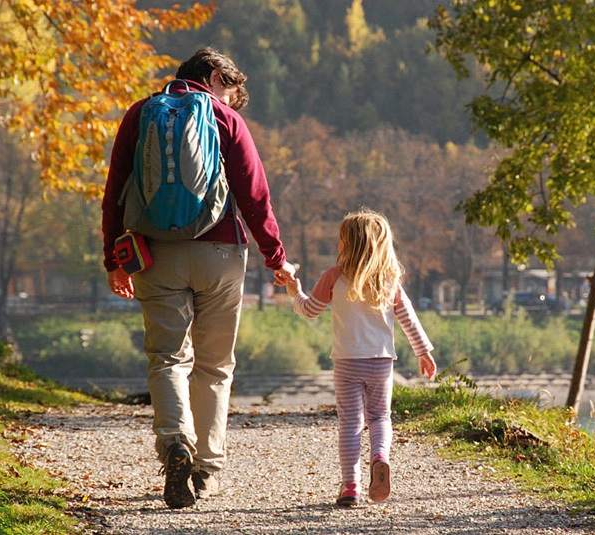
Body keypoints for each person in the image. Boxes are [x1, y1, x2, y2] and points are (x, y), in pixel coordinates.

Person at [101, 47, 295, 509]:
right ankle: (205, 466)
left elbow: (114, 191)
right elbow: (254, 194)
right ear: (212, 76)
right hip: (220, 251)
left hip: (155, 253)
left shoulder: (140, 113)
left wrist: (113, 258)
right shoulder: (225, 120)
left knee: (167, 357)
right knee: (214, 363)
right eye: (229, 89)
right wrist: (277, 257)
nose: (231, 99)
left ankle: (175, 445)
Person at [285, 208, 436, 506]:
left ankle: (350, 486)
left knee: (350, 424)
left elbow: (309, 311)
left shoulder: (333, 276)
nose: (338, 245)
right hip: (381, 362)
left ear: (349, 245)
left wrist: (295, 291)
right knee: (380, 417)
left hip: (346, 363)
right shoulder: (389, 280)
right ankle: (380, 456)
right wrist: (423, 352)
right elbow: (408, 319)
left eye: (341, 240)